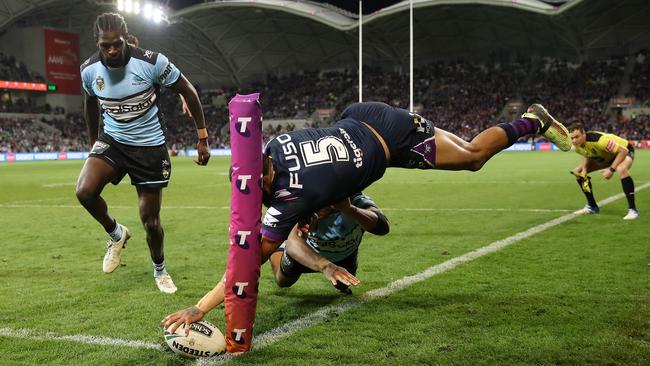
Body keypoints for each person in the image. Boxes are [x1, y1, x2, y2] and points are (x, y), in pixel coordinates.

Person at [163, 101, 572, 334]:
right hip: (362, 116)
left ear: (263, 176)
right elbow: (324, 182)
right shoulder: (274, 145)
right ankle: (532, 120)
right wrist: (317, 207)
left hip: (393, 140)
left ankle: (532, 119)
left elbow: (245, 266)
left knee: (474, 158)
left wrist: (200, 309)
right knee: (465, 149)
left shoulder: (290, 196)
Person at [76, 13, 211, 294]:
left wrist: (202, 138)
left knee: (150, 222)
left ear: (126, 40)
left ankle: (160, 270)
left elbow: (188, 90)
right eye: (105, 45)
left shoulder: (151, 62)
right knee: (84, 191)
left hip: (149, 147)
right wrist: (92, 143)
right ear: (97, 44)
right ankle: (116, 234)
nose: (112, 50)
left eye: (117, 44)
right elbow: (90, 105)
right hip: (112, 140)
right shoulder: (89, 70)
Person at [569, 123, 639, 220]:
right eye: (572, 138)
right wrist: (584, 169)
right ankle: (592, 206)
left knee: (621, 169)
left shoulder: (600, 141)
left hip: (625, 150)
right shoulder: (577, 145)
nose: (574, 140)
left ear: (584, 134)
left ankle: (633, 210)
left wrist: (611, 170)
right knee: (579, 173)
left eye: (577, 137)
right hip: (606, 157)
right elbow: (585, 153)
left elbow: (623, 151)